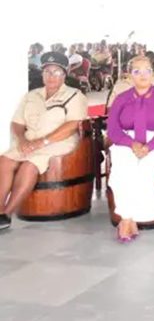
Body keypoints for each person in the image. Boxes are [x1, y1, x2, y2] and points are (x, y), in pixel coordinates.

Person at [0, 52, 89, 230]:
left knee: (29, 165)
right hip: (30, 141)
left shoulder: (74, 95)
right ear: (42, 74)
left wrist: (43, 142)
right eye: (47, 72)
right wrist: (22, 139)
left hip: (57, 143)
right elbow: (17, 123)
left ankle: (6, 214)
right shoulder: (31, 96)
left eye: (56, 72)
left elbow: (72, 125)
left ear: (64, 75)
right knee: (4, 161)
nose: (51, 76)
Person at [106, 56, 154, 242]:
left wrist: (150, 146)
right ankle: (129, 219)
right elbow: (113, 129)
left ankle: (126, 219)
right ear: (130, 75)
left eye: (147, 70)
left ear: (153, 74)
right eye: (136, 71)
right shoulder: (121, 99)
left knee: (145, 169)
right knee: (122, 170)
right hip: (126, 142)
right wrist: (131, 144)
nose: (142, 75)